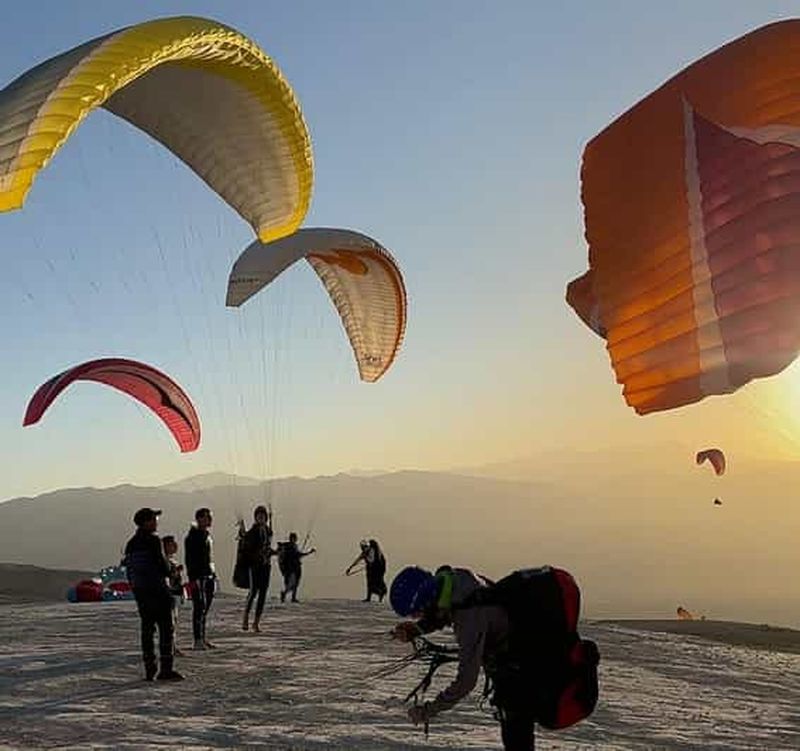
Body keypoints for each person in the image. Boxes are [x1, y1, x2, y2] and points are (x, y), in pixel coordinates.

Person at [389, 565, 534, 751]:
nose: (418, 616)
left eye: (418, 613)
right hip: (516, 649)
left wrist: (429, 710)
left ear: (426, 601)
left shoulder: (468, 619)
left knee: (516, 721)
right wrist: (417, 629)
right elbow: (446, 609)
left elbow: (466, 681)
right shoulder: (455, 581)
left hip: (522, 659)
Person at [123, 507, 183, 681]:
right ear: (147, 522)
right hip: (158, 590)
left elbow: (129, 570)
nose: (157, 522)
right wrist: (172, 571)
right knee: (166, 629)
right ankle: (166, 669)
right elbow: (162, 567)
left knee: (147, 630)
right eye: (154, 519)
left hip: (141, 592)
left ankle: (150, 668)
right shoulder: (154, 540)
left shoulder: (130, 544)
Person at [185, 507, 217, 650]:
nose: (210, 520)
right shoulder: (192, 537)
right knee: (199, 607)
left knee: (205, 608)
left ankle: (202, 637)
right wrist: (193, 578)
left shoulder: (206, 535)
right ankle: (197, 639)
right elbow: (190, 560)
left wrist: (212, 573)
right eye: (207, 517)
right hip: (198, 576)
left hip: (208, 574)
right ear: (199, 519)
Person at [241, 504, 276, 632]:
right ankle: (245, 617)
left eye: (263, 516)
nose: (261, 518)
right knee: (253, 592)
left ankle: (256, 622)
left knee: (262, 594)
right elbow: (248, 549)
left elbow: (268, 548)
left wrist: (275, 552)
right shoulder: (252, 532)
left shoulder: (268, 531)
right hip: (255, 566)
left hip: (266, 566)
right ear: (255, 517)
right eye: (259, 516)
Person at [162, 535, 185, 655]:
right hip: (169, 595)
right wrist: (176, 572)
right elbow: (168, 578)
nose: (175, 546)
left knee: (174, 622)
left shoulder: (172, 561)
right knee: (170, 623)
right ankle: (170, 647)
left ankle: (172, 646)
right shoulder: (164, 561)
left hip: (176, 594)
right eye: (171, 544)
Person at [278, 532, 315, 603]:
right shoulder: (290, 547)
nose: (295, 539)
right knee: (293, 583)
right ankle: (285, 594)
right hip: (292, 568)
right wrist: (309, 552)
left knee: (295, 583)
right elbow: (298, 555)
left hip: (295, 567)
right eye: (294, 538)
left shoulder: (292, 546)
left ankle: (292, 597)